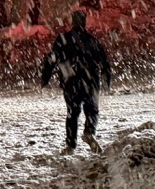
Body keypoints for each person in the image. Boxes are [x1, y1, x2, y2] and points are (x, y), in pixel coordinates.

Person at [41, 10, 112, 155]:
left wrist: (45, 79)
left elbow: (51, 59)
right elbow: (104, 63)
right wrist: (106, 81)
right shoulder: (92, 41)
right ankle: (89, 132)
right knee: (92, 110)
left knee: (72, 113)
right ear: (84, 23)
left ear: (72, 22)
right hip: (90, 81)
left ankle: (70, 145)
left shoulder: (62, 39)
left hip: (70, 81)